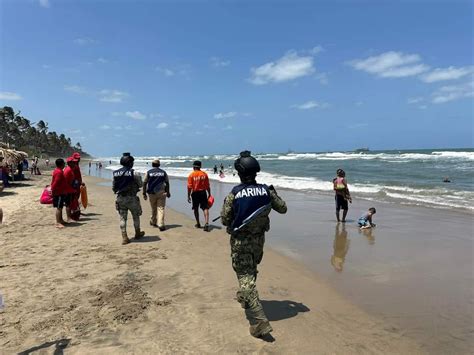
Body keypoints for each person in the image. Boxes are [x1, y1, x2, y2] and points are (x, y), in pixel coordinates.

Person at [220, 151, 287, 338]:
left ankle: (259, 321)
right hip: (259, 240)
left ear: (240, 173)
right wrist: (273, 193)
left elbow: (225, 219)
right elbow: (283, 208)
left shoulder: (235, 194)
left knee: (244, 274)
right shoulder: (266, 190)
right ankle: (245, 296)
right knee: (251, 270)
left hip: (241, 241)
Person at [112, 153, 145, 245]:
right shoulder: (134, 173)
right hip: (132, 198)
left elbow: (114, 187)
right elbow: (140, 184)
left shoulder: (116, 173)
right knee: (136, 216)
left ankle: (124, 237)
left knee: (123, 218)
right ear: (130, 163)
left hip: (120, 198)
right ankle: (137, 233)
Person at [143, 159, 170, 231]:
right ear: (159, 165)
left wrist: (144, 193)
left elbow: (145, 183)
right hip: (161, 192)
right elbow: (167, 182)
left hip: (151, 193)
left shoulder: (148, 172)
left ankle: (153, 221)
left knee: (153, 208)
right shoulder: (163, 172)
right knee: (161, 208)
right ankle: (160, 224)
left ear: (152, 165)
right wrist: (168, 192)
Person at [187, 160, 211, 231]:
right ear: (200, 166)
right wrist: (209, 193)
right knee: (205, 208)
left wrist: (188, 196)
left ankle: (198, 223)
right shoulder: (204, 174)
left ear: (193, 166)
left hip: (195, 193)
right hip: (203, 192)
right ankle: (206, 223)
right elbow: (207, 186)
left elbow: (189, 187)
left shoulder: (191, 175)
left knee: (195, 208)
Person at [50, 158, 69, 228]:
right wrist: (53, 190)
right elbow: (56, 182)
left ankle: (61, 220)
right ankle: (58, 222)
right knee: (59, 208)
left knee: (60, 207)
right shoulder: (59, 172)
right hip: (58, 193)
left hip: (61, 192)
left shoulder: (58, 171)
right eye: (64, 163)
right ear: (61, 164)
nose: (64, 164)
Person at [64, 158, 80, 222]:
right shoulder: (68, 170)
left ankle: (70, 216)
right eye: (73, 162)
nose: (74, 163)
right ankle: (69, 218)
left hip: (70, 189)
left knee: (70, 204)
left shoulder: (70, 169)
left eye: (74, 162)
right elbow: (69, 182)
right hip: (68, 190)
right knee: (68, 204)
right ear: (69, 163)